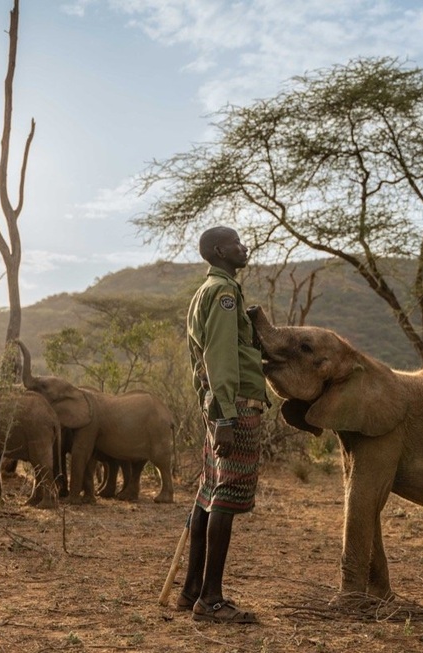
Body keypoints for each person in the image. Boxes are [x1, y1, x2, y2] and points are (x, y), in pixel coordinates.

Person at [178, 225, 270, 624]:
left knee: (209, 493)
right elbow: (220, 357)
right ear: (219, 251)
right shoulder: (224, 294)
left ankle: (191, 591)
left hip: (217, 406)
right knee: (226, 496)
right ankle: (211, 599)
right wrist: (227, 417)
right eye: (236, 243)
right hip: (234, 407)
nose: (243, 247)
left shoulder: (207, 290)